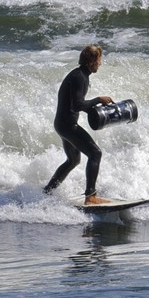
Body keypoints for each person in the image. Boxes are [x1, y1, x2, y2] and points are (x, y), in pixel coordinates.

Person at [44, 45, 114, 204]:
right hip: (67, 125)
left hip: (63, 124)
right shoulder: (79, 77)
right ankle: (91, 196)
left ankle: (47, 192)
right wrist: (98, 100)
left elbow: (76, 104)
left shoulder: (81, 75)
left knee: (73, 160)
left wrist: (94, 111)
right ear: (92, 61)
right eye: (99, 59)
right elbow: (76, 105)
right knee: (95, 153)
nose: (100, 63)